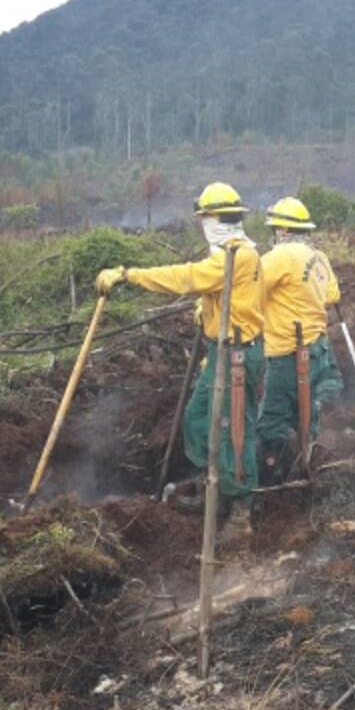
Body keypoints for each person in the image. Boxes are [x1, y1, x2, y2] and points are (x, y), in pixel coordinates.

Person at [96, 182, 264, 540]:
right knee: (198, 419)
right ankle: (215, 484)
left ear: (214, 219)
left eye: (207, 219)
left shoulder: (237, 255)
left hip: (237, 355)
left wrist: (129, 275)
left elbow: (187, 277)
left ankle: (240, 513)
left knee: (234, 432)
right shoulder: (233, 253)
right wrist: (207, 308)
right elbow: (219, 289)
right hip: (221, 350)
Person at [256, 197, 344, 483]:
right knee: (307, 412)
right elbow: (332, 295)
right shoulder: (318, 257)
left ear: (281, 229)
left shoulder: (279, 257)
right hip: (317, 346)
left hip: (286, 351)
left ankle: (271, 480)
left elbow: (248, 289)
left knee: (273, 418)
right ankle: (307, 462)